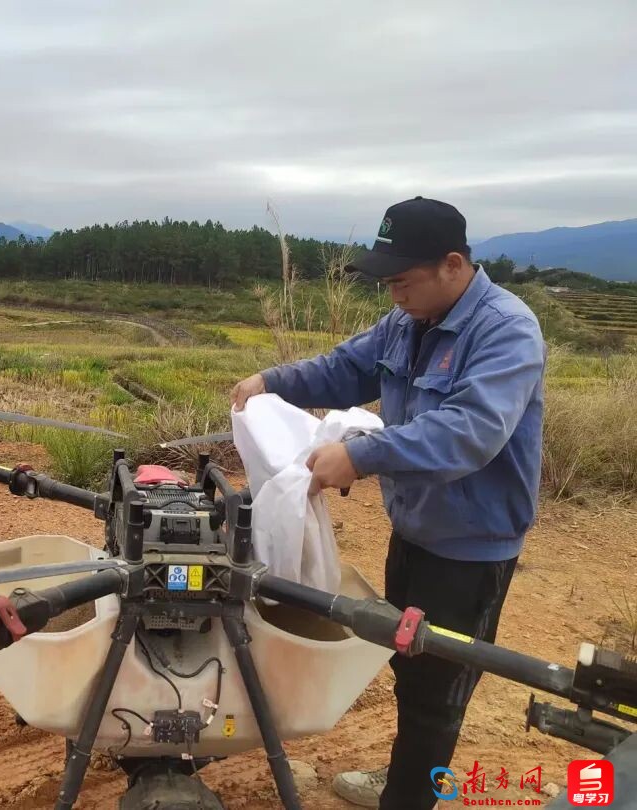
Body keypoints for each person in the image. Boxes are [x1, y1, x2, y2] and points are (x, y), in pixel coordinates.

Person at [230, 197, 546, 809]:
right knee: (407, 661)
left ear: (452, 265)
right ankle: (407, 776)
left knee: (439, 685)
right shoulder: (407, 322)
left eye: (402, 279)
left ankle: (409, 797)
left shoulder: (506, 330)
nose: (393, 294)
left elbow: (471, 430)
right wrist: (272, 381)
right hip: (417, 530)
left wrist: (363, 455)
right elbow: (347, 367)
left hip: (470, 548)